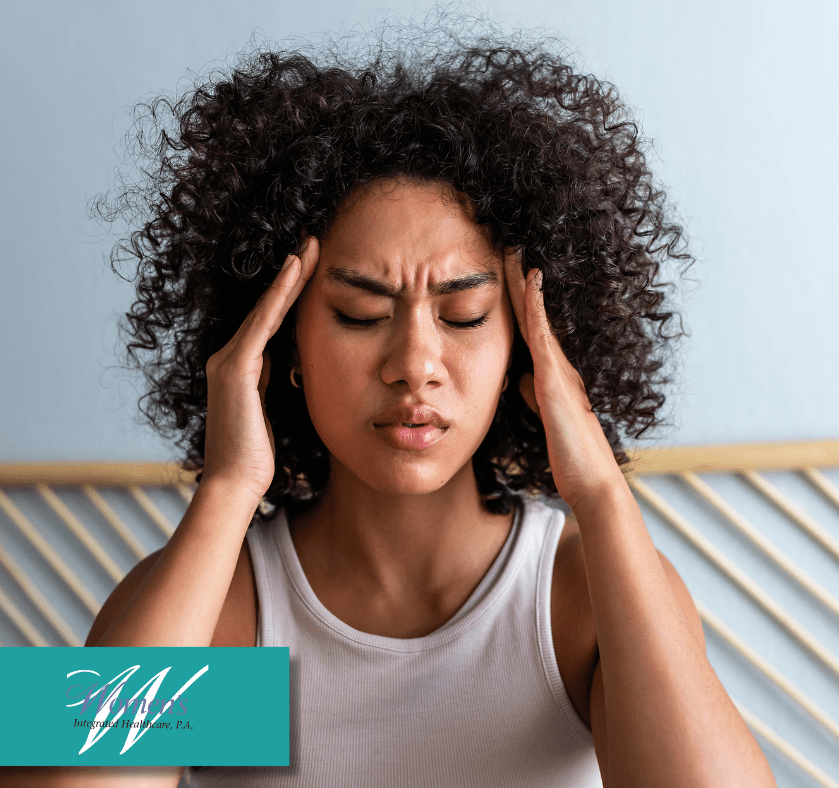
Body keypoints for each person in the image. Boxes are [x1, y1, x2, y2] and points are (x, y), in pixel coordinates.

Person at [10, 22, 778, 787]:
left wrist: (603, 495)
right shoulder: (233, 611)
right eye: (358, 314)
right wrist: (227, 489)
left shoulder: (576, 598)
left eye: (465, 316)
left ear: (527, 348)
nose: (415, 365)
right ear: (285, 348)